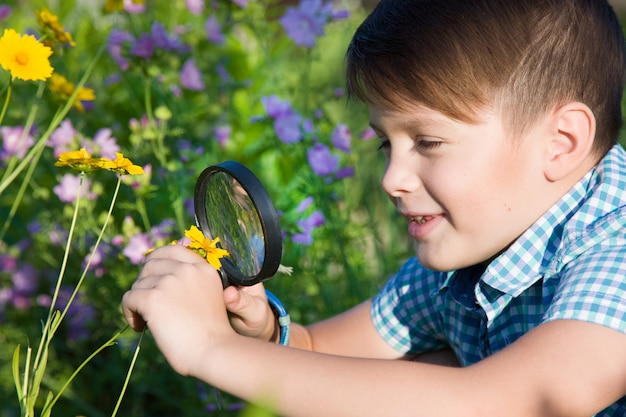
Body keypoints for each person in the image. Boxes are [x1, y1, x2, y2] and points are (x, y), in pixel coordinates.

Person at [121, 0, 626, 415]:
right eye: (387, 144)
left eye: (427, 141)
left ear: (561, 142)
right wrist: (264, 334)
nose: (391, 179)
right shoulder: (474, 250)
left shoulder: (617, 246)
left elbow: (516, 402)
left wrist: (210, 347)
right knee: (423, 372)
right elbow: (319, 356)